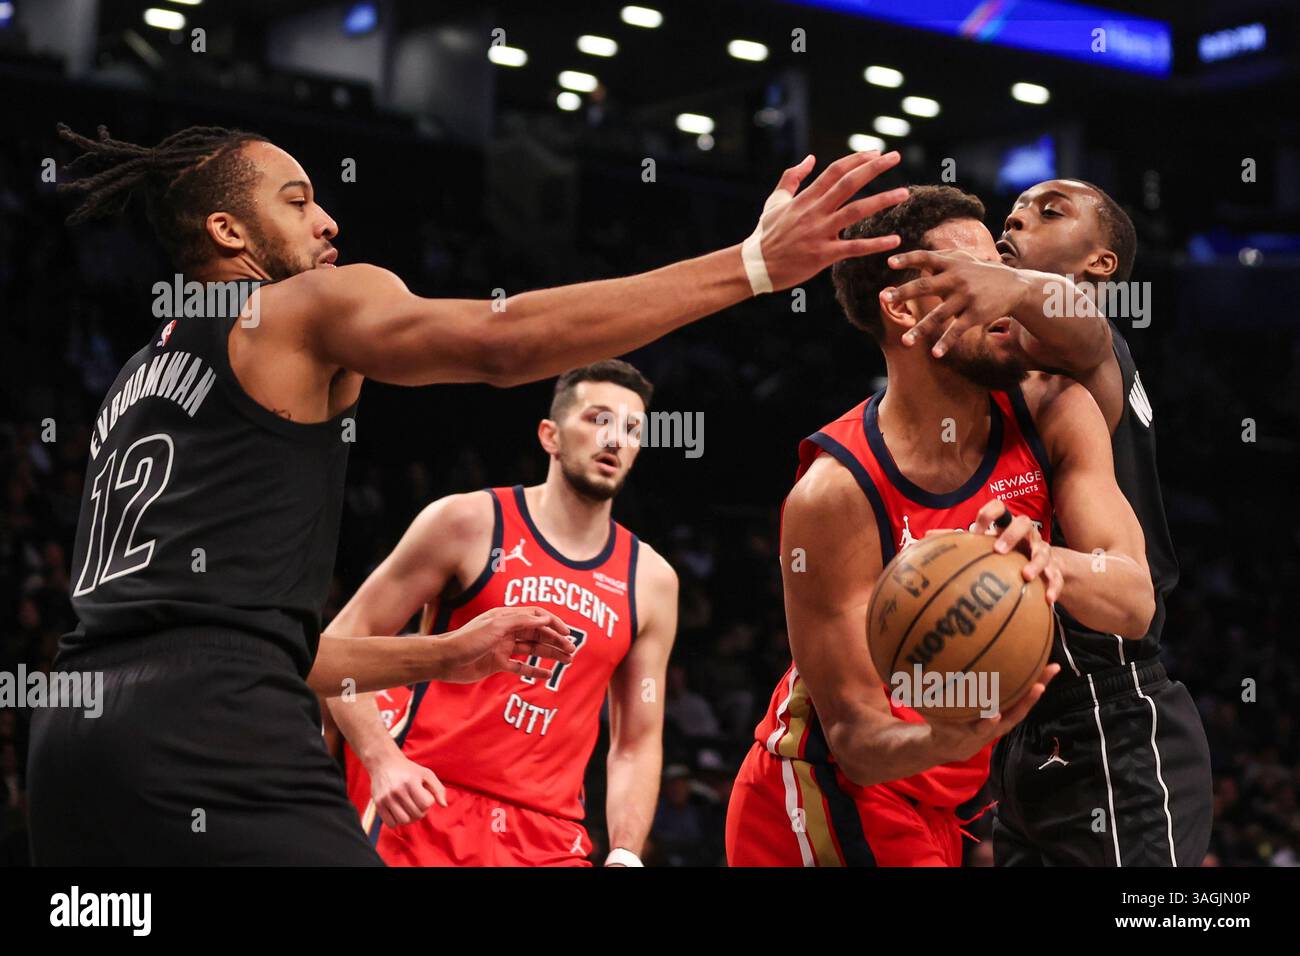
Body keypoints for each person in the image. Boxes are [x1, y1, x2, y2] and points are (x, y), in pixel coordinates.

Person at [26, 122, 906, 864]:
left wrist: (445, 657)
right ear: (226, 231)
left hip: (74, 743)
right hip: (212, 734)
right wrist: (752, 265)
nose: (328, 221)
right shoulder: (301, 310)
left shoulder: (135, 383)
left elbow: (259, 644)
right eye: (295, 201)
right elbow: (503, 342)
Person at [725, 185, 1155, 866]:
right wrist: (944, 743)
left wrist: (1053, 561)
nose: (1003, 296)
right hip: (826, 789)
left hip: (949, 801)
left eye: (1004, 274)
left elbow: (1133, 602)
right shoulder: (833, 493)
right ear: (901, 308)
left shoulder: (1052, 409)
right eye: (972, 279)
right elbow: (857, 740)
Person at [884, 178, 1212, 865]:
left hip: (1110, 703)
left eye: (1050, 211)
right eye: (1012, 214)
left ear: (1100, 264)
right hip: (1026, 716)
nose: (1018, 220)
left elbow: (1081, 326)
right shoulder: (1012, 369)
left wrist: (1014, 286)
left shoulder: (1090, 353)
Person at [332, 360, 677, 867]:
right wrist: (383, 762)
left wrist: (625, 852)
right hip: (428, 804)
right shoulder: (466, 522)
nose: (615, 438)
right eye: (598, 419)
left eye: (631, 429)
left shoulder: (651, 580)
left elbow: (637, 741)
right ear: (550, 435)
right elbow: (342, 646)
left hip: (551, 837)